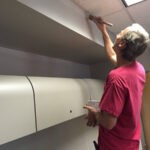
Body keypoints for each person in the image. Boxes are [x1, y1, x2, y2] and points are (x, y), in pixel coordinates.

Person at [84, 16, 150, 150]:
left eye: (120, 33)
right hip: (130, 144)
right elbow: (112, 55)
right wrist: (103, 30)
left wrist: (95, 113)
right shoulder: (139, 69)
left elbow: (108, 123)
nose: (118, 33)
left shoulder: (116, 78)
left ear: (121, 44)